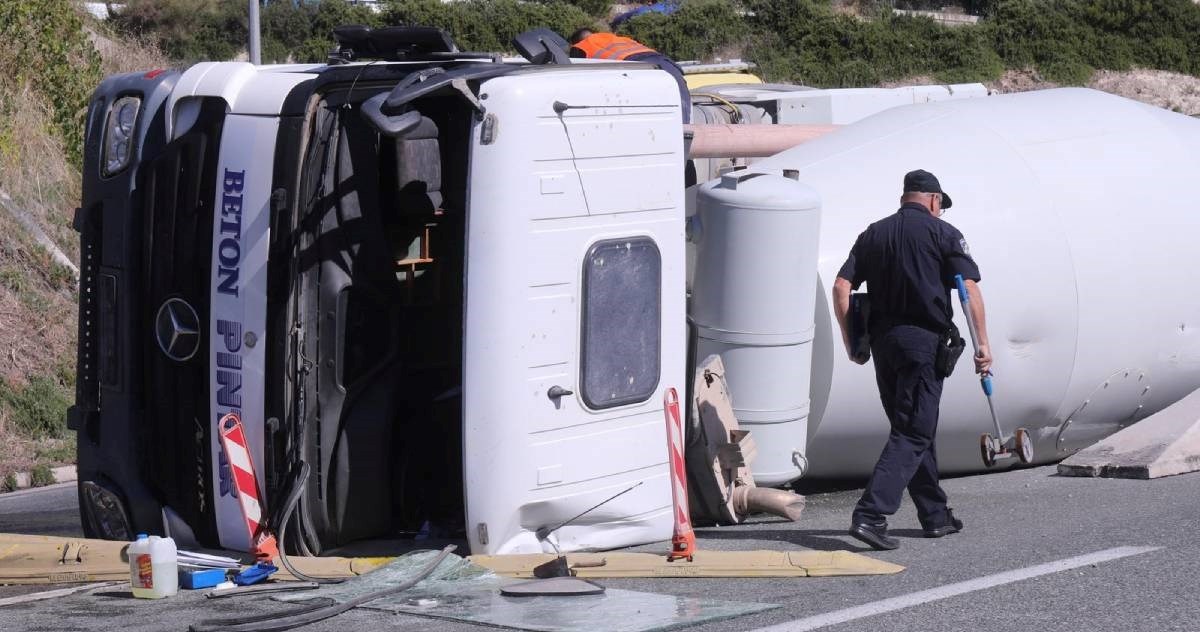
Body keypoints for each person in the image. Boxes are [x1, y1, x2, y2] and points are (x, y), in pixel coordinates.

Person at [832, 169, 992, 551]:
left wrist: (853, 342)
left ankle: (935, 516)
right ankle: (871, 515)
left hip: (885, 344)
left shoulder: (874, 233)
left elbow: (841, 287)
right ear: (934, 200)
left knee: (911, 427)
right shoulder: (944, 233)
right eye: (940, 206)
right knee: (913, 431)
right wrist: (983, 345)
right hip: (923, 343)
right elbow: (967, 289)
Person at [568, 28, 691, 124]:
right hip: (667, 65)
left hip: (636, 69)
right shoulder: (617, 38)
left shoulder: (580, 46)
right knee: (681, 121)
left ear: (576, 42)